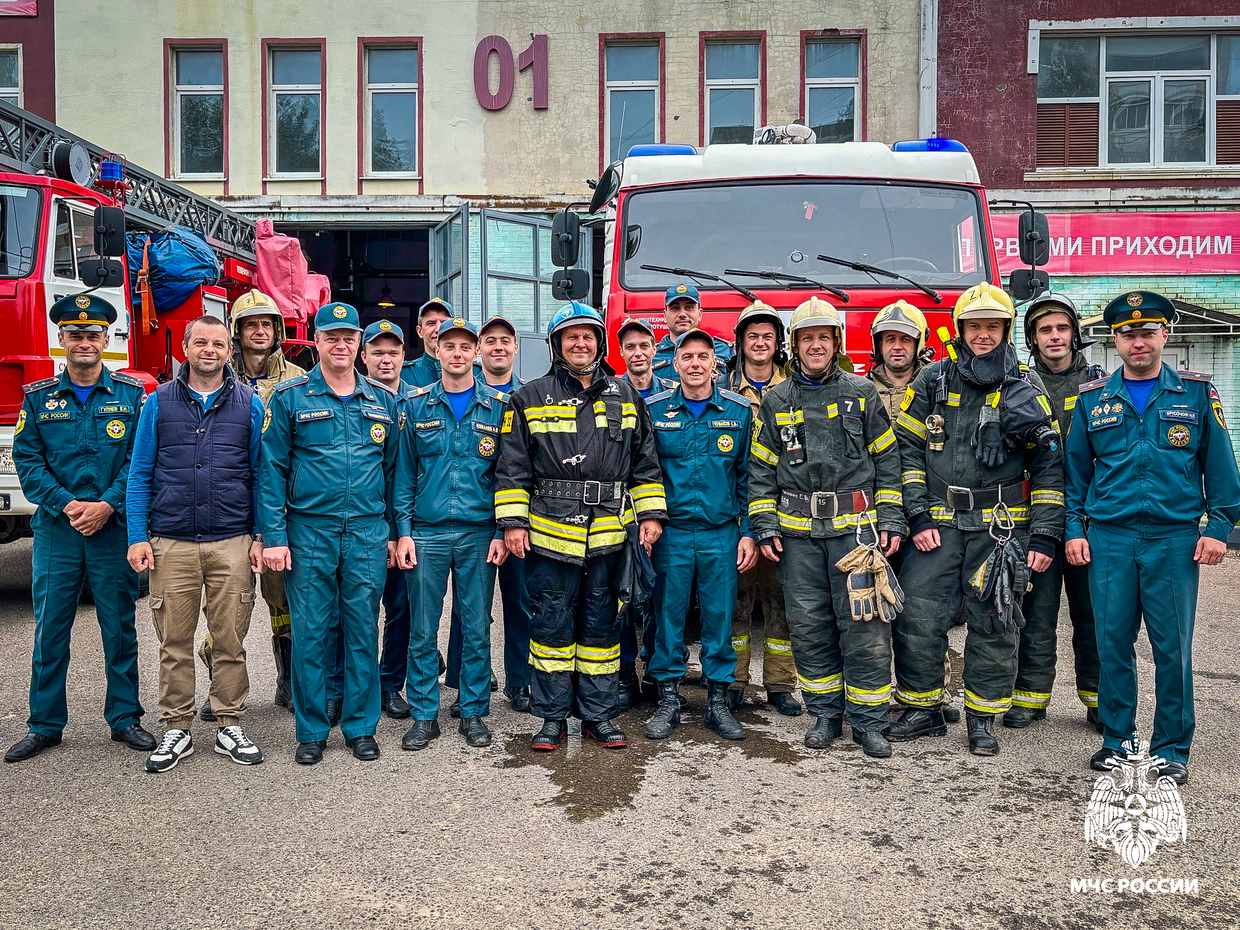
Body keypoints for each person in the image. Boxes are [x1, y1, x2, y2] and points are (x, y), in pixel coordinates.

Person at [1066, 290, 1240, 786]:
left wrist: (1219, 528)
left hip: (1172, 540)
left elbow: (1221, 468)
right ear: (1115, 341)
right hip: (1110, 540)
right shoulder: (1092, 399)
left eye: (1147, 332)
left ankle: (1170, 747)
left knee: (1172, 649)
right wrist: (1075, 529)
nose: (1137, 342)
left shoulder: (1196, 394)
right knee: (1112, 644)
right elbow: (1075, 474)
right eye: (1128, 334)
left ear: (1165, 335)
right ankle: (1117, 740)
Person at [889, 282, 1063, 756]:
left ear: (1006, 330)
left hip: (1001, 529)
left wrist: (1045, 535)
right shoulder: (933, 381)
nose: (983, 335)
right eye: (974, 326)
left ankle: (981, 719)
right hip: (938, 526)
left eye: (992, 326)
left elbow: (1050, 466)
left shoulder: (1026, 385)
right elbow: (906, 450)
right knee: (917, 615)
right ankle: (923, 709)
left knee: (995, 622)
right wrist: (918, 515)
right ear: (959, 329)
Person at [495, 302, 667, 751]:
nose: (580, 343)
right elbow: (513, 468)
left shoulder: (626, 396)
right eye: (571, 336)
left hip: (610, 534)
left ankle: (597, 716)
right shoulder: (528, 397)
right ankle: (552, 719)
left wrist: (650, 515)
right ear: (557, 345)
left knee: (602, 629)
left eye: (588, 335)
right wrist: (513, 524)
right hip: (550, 535)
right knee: (551, 629)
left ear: (600, 343)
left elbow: (645, 463)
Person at [748, 297, 904, 758]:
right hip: (797, 539)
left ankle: (869, 722)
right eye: (806, 338)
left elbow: (888, 461)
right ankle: (825, 715)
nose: (815, 345)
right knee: (809, 627)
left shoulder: (862, 392)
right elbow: (761, 470)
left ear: (837, 342)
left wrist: (891, 518)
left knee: (865, 625)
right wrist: (764, 524)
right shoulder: (776, 400)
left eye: (823, 337)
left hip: (856, 536)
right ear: (794, 345)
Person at [6, 294, 155, 763]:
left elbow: (139, 460)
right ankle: (44, 725)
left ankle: (125, 718)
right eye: (75, 334)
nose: (84, 342)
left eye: (92, 334)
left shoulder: (131, 396)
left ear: (106, 340)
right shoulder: (38, 398)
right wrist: (69, 505)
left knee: (120, 627)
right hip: (59, 529)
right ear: (62, 339)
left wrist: (107, 505)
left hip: (112, 528)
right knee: (50, 629)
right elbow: (28, 461)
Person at [125, 316, 267, 772]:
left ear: (229, 350)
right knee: (174, 642)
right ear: (184, 347)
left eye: (218, 344)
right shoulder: (157, 402)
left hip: (232, 540)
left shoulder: (249, 403)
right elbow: (139, 473)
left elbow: (261, 475)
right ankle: (177, 728)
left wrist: (260, 536)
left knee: (230, 640)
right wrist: (137, 537)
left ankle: (229, 723)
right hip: (172, 542)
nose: (210, 350)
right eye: (201, 342)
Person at [260, 302, 399, 765]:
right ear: (316, 342)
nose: (341, 345)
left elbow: (394, 473)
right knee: (311, 633)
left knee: (362, 630)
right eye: (331, 337)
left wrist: (394, 533)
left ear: (359, 344)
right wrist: (274, 537)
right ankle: (312, 730)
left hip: (366, 532)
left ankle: (360, 726)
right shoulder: (290, 397)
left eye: (348, 337)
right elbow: (271, 471)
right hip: (309, 532)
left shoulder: (383, 400)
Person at [396, 318, 511, 750]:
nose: (458, 353)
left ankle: (474, 711)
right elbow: (404, 476)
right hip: (426, 533)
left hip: (479, 534)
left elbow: (506, 477)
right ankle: (424, 715)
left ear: (476, 352)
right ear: (437, 351)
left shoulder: (498, 407)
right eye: (450, 346)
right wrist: (403, 532)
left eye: (466, 346)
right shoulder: (415, 405)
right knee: (423, 629)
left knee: (477, 627)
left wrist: (501, 530)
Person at [644, 329, 755, 741]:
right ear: (675, 364)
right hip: (670, 535)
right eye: (687, 356)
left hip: (720, 534)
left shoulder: (739, 412)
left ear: (714, 363)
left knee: (719, 619)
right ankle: (668, 700)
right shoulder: (654, 411)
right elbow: (645, 472)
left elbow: (748, 478)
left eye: (702, 356)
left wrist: (748, 533)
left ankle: (717, 702)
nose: (694, 363)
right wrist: (647, 521)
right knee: (667, 618)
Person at [1006, 293, 1106, 732]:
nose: (1054, 336)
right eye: (1045, 330)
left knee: (1095, 615)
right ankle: (1030, 698)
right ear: (1033, 338)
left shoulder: (1100, 386)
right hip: (1036, 521)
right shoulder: (1016, 386)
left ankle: (1100, 701)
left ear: (1075, 334)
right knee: (1036, 613)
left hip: (1088, 521)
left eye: (1062, 328)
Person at [865, 300, 961, 725]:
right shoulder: (858, 389)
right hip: (873, 517)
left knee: (927, 611)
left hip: (926, 515)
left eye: (905, 339)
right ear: (878, 345)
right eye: (889, 339)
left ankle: (931, 693)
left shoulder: (940, 386)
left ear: (919, 344)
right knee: (871, 611)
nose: (897, 347)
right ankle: (874, 693)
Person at [222, 289, 305, 717]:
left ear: (278, 330)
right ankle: (223, 687)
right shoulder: (216, 374)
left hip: (279, 504)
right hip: (230, 504)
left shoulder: (298, 378)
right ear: (236, 331)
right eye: (250, 324)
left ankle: (287, 681)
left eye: (266, 324)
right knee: (226, 602)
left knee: (283, 598)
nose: (259, 331)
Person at [724, 301, 800, 716]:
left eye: (767, 336)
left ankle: (780, 684)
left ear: (778, 343)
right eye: (752, 335)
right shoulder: (723, 388)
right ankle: (734, 681)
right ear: (740, 342)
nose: (759, 342)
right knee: (734, 601)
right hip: (737, 511)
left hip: (784, 511)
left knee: (780, 601)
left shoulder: (795, 389)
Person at [360, 320, 419, 721]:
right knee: (357, 613)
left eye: (393, 352)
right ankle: (354, 687)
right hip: (365, 524)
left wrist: (402, 532)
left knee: (402, 610)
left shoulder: (418, 402)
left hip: (406, 526)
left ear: (403, 356)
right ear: (363, 356)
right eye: (377, 352)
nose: (386, 359)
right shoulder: (352, 398)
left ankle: (390, 684)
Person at [652, 283, 734, 378]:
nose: (682, 314)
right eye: (675, 308)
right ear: (665, 316)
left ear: (699, 314)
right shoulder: (652, 355)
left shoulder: (724, 351)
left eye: (689, 308)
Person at [618, 318, 677, 400]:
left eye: (644, 346)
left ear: (654, 349)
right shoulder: (611, 395)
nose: (638, 353)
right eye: (630, 347)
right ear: (621, 352)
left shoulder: (673, 393)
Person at [402, 297, 455, 387]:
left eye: (444, 323)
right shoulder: (404, 374)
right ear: (420, 332)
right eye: (431, 323)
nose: (438, 329)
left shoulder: (474, 372)